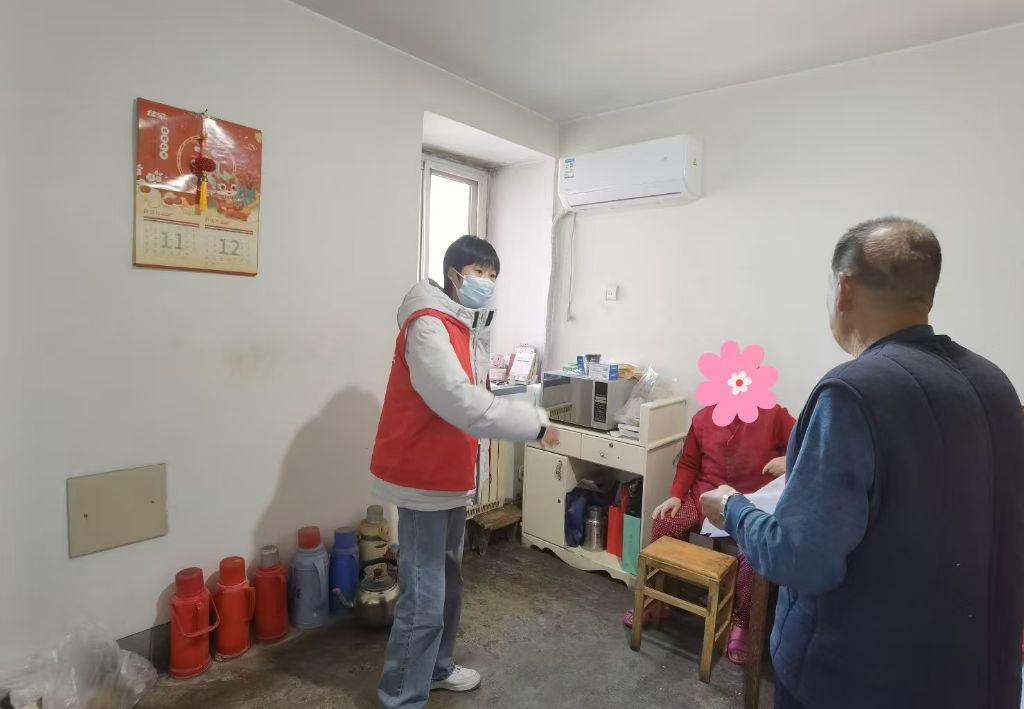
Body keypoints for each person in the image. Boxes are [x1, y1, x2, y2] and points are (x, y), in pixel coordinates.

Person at [701, 218, 1024, 709]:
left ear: (845, 288)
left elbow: (799, 559)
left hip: (853, 678)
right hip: (975, 674)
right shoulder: (995, 385)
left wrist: (732, 508)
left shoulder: (852, 392)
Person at [370, 235, 558, 709]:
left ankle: (436, 668)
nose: (487, 283)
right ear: (454, 275)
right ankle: (399, 697)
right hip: (422, 477)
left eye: (493, 276)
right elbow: (459, 401)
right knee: (425, 595)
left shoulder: (464, 327)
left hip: (449, 476)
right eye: (479, 273)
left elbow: (477, 396)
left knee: (448, 583)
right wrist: (533, 424)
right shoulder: (428, 326)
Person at [623, 403, 795, 665]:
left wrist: (790, 459)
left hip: (749, 504)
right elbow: (689, 463)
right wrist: (676, 495)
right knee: (665, 522)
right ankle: (656, 599)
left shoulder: (774, 415)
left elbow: (808, 444)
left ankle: (742, 623)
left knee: (753, 551)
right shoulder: (703, 418)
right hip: (705, 498)